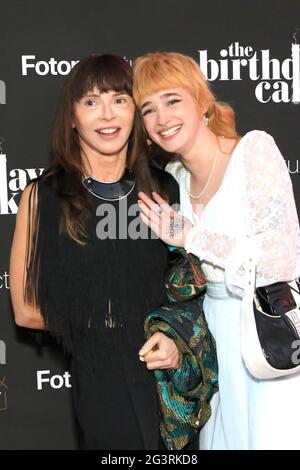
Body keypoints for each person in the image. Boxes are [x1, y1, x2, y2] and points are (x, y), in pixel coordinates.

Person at [9, 54, 183, 450]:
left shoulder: (165, 190)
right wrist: (106, 323)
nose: (108, 114)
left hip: (167, 378)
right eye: (90, 102)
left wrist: (176, 337)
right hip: (101, 376)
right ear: (72, 117)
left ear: (135, 111)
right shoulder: (44, 197)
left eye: (119, 99)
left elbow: (186, 286)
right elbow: (26, 308)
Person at [133, 51, 300, 450]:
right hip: (214, 346)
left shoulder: (252, 152)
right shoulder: (171, 180)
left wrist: (193, 237)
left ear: (202, 102)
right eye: (148, 109)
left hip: (265, 333)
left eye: (173, 100)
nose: (162, 118)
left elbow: (283, 258)